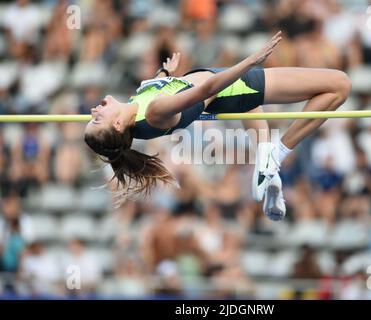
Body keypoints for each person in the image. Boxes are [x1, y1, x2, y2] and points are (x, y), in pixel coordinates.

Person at [84, 31, 352, 221]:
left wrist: (165, 74)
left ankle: (272, 175)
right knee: (339, 85)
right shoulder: (154, 112)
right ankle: (278, 153)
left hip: (223, 89)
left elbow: (156, 93)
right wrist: (249, 61)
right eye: (97, 118)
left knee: (261, 137)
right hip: (235, 87)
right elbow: (206, 90)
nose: (94, 110)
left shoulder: (136, 112)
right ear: (118, 124)